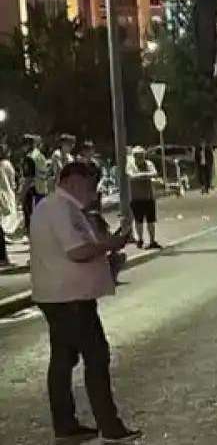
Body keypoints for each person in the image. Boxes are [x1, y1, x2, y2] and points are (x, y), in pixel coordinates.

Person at [30, 162, 141, 442]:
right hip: (70, 299)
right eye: (91, 184)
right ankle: (110, 426)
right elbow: (77, 251)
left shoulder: (54, 207)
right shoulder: (60, 209)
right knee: (96, 357)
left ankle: (66, 427)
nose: (93, 191)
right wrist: (110, 245)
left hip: (60, 296)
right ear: (74, 181)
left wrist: (108, 250)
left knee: (63, 360)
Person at [126, 148, 159, 249]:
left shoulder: (148, 163)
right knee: (138, 220)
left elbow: (154, 173)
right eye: (138, 155)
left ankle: (152, 240)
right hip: (136, 197)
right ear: (134, 156)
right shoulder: (130, 165)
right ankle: (140, 239)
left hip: (149, 196)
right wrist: (146, 175)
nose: (141, 158)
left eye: (142, 155)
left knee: (151, 221)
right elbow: (131, 176)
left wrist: (140, 176)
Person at [20, 134, 49, 236]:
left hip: (32, 191)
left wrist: (22, 194)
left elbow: (29, 178)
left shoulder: (29, 158)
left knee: (31, 218)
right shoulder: (40, 155)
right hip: (42, 190)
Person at [0, 142, 15, 266]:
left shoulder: (2, 165)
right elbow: (12, 183)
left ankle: (3, 258)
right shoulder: (7, 165)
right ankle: (4, 258)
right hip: (6, 197)